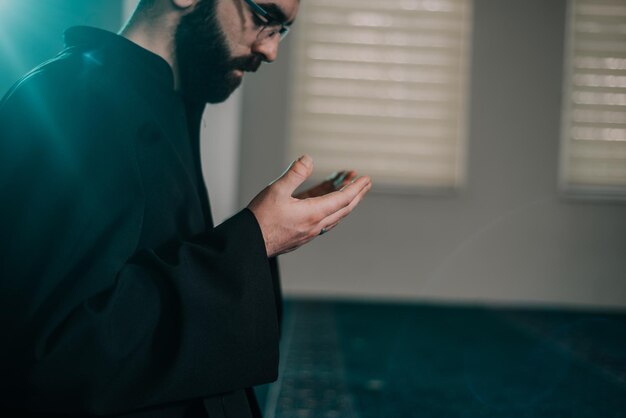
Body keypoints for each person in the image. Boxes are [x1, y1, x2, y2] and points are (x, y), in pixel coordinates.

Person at [0, 0, 371, 416]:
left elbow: (153, 263)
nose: (271, 51)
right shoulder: (72, 99)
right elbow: (54, 354)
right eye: (264, 17)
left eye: (282, 31)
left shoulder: (164, 97)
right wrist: (254, 239)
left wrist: (267, 234)